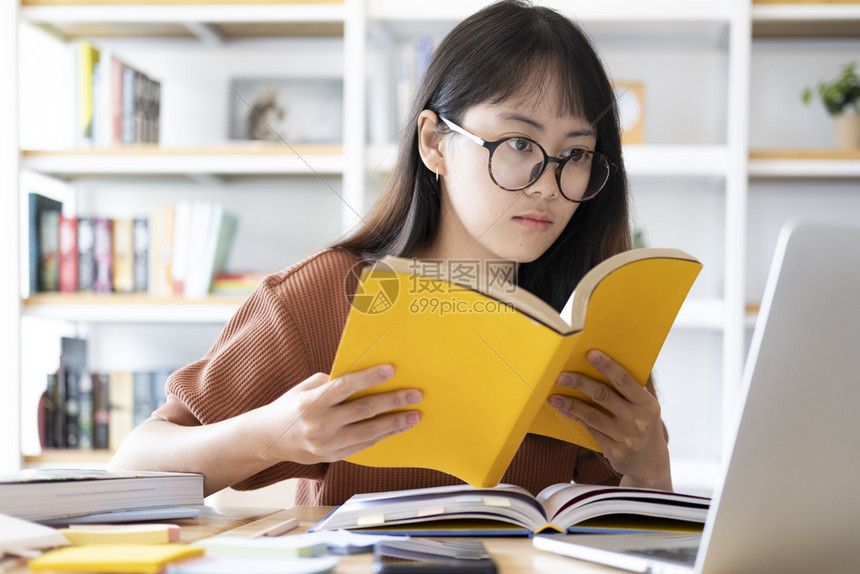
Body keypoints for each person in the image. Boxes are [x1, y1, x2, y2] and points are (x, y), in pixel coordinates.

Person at [109, 0, 672, 505]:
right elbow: (130, 470)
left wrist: (649, 469)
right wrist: (275, 433)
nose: (547, 184)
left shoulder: (589, 325)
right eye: (520, 144)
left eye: (575, 154)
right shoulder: (326, 295)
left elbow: (624, 541)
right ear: (434, 142)